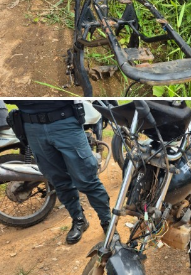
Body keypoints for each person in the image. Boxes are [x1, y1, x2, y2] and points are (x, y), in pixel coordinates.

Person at [5, 100, 112, 244]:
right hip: (32, 127)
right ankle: (79, 220)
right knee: (59, 181)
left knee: (87, 179)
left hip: (64, 122)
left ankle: (108, 223)